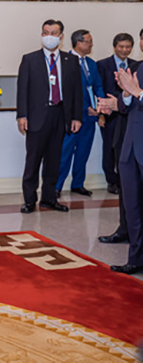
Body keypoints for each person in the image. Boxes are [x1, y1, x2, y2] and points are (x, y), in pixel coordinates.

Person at [16, 19, 82, 214]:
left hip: (60, 115)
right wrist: (22, 115)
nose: (49, 36)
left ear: (61, 37)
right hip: (37, 117)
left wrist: (76, 117)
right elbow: (22, 90)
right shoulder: (30, 59)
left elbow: (77, 91)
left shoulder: (71, 61)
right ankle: (29, 200)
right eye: (46, 32)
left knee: (54, 161)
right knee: (33, 161)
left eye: (54, 33)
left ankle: (49, 198)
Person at [97, 32, 138, 245]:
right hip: (125, 135)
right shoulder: (137, 68)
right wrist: (117, 103)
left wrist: (135, 92)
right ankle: (125, 230)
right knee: (126, 188)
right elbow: (127, 102)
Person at [55, 30, 104, 197]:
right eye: (88, 42)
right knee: (65, 153)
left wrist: (100, 107)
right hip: (72, 117)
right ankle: (57, 186)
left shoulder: (91, 63)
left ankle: (78, 184)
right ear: (78, 43)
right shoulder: (65, 61)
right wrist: (85, 108)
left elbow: (97, 87)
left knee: (83, 152)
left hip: (90, 118)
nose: (91, 45)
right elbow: (69, 92)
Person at [105, 66, 143, 275]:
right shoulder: (140, 68)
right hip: (131, 149)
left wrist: (137, 92)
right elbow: (131, 106)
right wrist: (125, 97)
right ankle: (136, 259)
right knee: (133, 208)